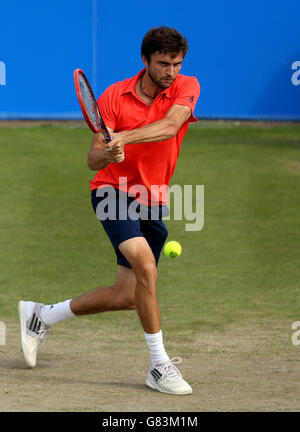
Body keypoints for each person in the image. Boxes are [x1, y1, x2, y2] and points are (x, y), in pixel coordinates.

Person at [18, 26, 200, 396]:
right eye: (163, 64)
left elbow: (170, 126)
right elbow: (92, 159)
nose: (171, 72)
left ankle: (42, 315)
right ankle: (159, 367)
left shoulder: (186, 86)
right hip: (111, 192)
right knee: (146, 266)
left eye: (176, 64)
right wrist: (107, 152)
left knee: (127, 296)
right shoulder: (114, 96)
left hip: (152, 197)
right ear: (145, 60)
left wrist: (123, 138)